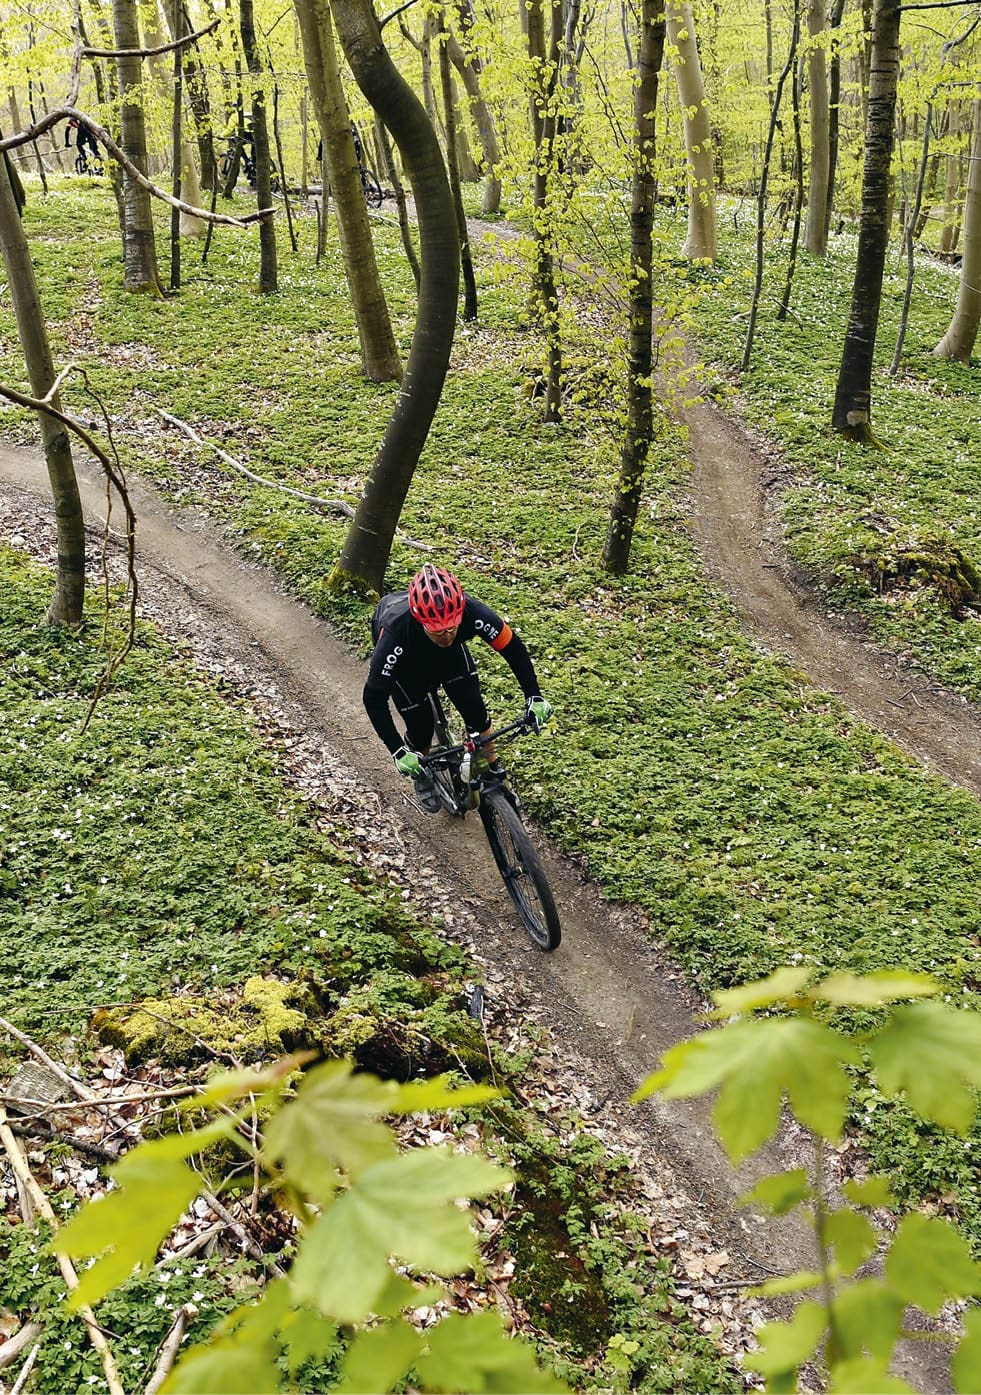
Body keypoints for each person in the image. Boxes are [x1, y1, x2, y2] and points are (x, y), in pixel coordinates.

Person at [363, 564, 552, 813]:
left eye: (452, 627)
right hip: (407, 668)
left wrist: (534, 695)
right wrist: (398, 751)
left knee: (477, 714)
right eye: (438, 631)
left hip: (449, 660)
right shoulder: (396, 633)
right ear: (421, 622)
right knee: (421, 728)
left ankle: (493, 769)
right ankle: (423, 772)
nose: (446, 635)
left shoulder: (473, 612)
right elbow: (374, 698)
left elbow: (513, 648)